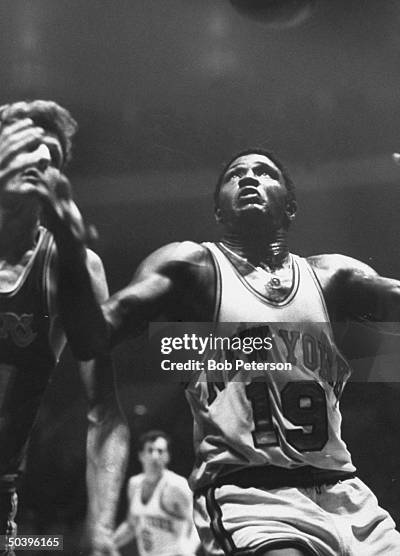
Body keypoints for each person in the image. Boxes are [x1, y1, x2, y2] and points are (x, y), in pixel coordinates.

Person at [41, 148, 400, 556]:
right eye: (235, 175)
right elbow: (92, 337)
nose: (249, 178)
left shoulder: (332, 276)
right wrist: (70, 251)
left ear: (291, 208)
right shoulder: (192, 269)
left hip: (344, 494)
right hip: (251, 498)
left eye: (265, 173)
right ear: (218, 211)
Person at [0, 100, 129, 556]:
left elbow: (106, 410)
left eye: (52, 156)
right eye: (28, 146)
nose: (41, 160)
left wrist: (101, 525)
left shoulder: (68, 263)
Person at [113, 430, 199, 556]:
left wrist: (189, 549)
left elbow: (198, 521)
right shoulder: (134, 484)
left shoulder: (176, 485)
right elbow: (131, 525)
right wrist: (109, 544)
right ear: (141, 455)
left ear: (167, 456)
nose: (155, 456)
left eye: (160, 451)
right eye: (150, 450)